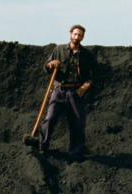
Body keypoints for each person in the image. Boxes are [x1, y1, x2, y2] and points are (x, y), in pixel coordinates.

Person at [39, 24, 98, 161]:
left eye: (80, 35)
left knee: (77, 123)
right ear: (70, 34)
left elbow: (96, 74)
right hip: (59, 89)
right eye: (75, 34)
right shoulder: (59, 49)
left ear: (83, 37)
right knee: (50, 118)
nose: (77, 37)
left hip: (76, 92)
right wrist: (51, 64)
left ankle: (76, 154)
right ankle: (42, 146)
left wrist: (86, 86)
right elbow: (46, 67)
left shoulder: (87, 55)